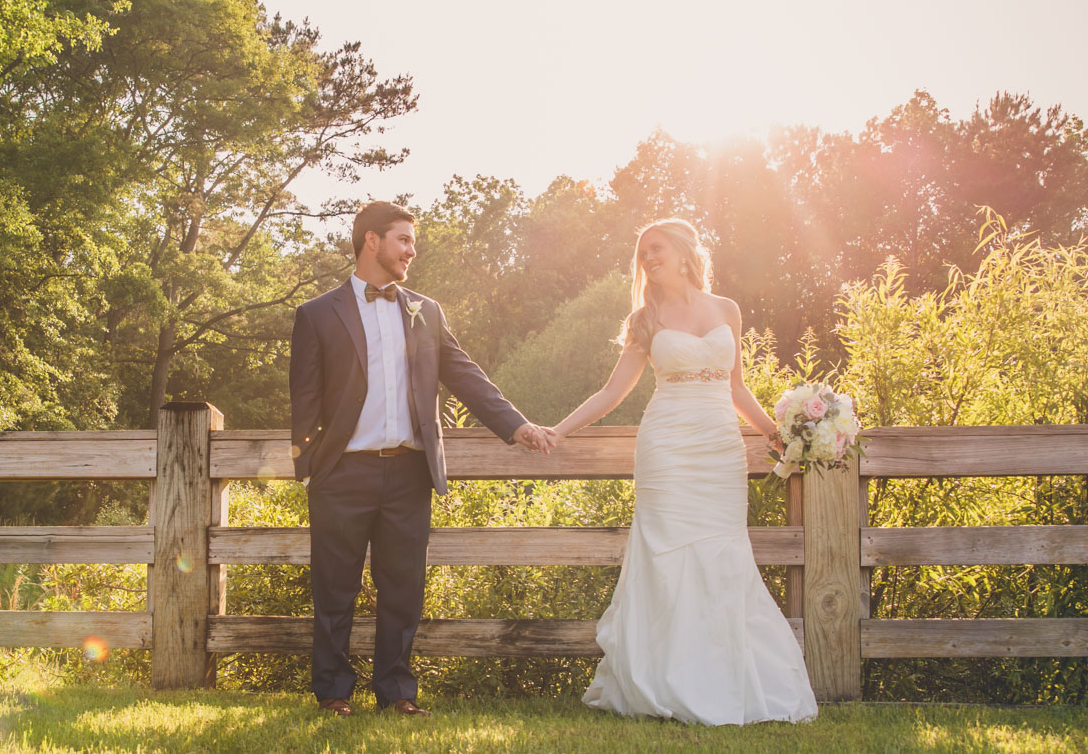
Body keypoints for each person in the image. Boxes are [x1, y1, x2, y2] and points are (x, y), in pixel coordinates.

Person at [289, 200, 557, 718]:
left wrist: (516, 425)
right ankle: (334, 694)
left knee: (403, 589)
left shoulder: (425, 311)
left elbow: (466, 374)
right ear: (373, 240)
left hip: (410, 474)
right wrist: (310, 472)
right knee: (334, 589)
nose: (412, 250)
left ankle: (396, 693)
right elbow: (303, 400)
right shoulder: (317, 314)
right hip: (341, 473)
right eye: (404, 240)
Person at [549, 218, 818, 724]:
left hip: (719, 446)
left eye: (656, 249)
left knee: (723, 555)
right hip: (668, 446)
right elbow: (612, 393)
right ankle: (663, 680)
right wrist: (558, 430)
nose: (648, 258)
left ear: (682, 251)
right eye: (642, 252)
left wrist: (775, 433)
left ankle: (722, 679)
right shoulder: (645, 319)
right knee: (667, 555)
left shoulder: (726, 310)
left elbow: (737, 388)